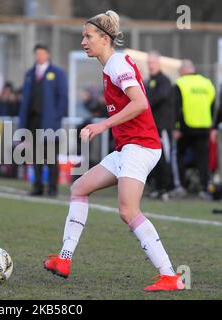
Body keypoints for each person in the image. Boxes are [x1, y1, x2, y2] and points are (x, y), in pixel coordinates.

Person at [43, 10, 185, 292]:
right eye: (83, 36)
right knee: (79, 187)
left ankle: (170, 276)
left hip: (141, 145)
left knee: (127, 210)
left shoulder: (117, 63)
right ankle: (65, 259)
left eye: (88, 36)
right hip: (127, 147)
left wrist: (101, 125)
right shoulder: (110, 65)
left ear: (105, 38)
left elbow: (140, 103)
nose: (83, 41)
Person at [19, 44, 68, 197]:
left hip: (49, 122)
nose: (40, 56)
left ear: (48, 54)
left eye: (42, 53)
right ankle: (38, 186)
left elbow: (63, 97)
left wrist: (56, 117)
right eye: (37, 53)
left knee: (51, 156)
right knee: (35, 156)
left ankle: (53, 188)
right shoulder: (30, 74)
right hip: (33, 121)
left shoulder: (57, 73)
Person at [171, 60, 215, 200]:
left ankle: (182, 186)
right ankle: (204, 188)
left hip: (186, 127)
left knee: (179, 155)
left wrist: (176, 127)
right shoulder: (207, 83)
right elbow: (213, 106)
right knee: (203, 159)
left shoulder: (180, 83)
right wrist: (212, 126)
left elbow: (176, 107)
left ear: (183, 70)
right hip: (204, 126)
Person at [145, 51, 174, 200]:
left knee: (165, 156)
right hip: (152, 127)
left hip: (163, 126)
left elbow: (157, 99)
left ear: (158, 63)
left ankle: (167, 188)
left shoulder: (164, 81)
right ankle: (157, 186)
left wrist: (143, 103)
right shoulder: (149, 81)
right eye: (148, 62)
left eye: (152, 62)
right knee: (154, 157)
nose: (150, 65)